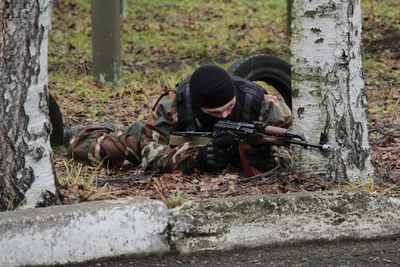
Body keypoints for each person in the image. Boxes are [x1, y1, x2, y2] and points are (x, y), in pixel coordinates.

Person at [65, 64, 292, 175]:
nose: (223, 115)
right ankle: (101, 128)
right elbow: (151, 150)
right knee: (81, 149)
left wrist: (271, 156)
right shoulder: (173, 104)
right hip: (177, 139)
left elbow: (295, 148)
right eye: (214, 113)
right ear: (197, 104)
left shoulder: (265, 104)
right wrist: (196, 158)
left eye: (229, 108)